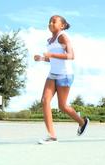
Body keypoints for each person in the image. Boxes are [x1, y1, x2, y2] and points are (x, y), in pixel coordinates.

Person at [34, 15, 89, 144]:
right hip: (52, 74)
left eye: (54, 22)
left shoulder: (62, 37)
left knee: (62, 106)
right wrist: (42, 59)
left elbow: (71, 55)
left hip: (65, 75)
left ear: (62, 25)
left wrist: (51, 54)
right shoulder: (49, 40)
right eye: (49, 22)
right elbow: (52, 59)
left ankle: (82, 122)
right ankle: (52, 136)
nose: (50, 24)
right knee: (44, 101)